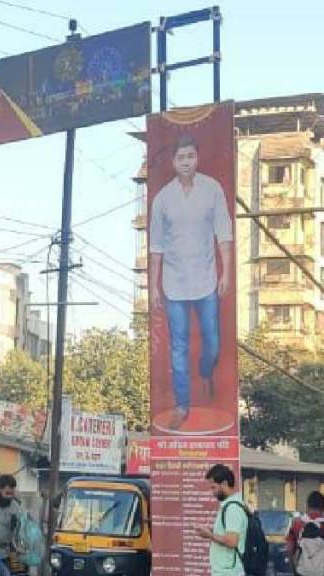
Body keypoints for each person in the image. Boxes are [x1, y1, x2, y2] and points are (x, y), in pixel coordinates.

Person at [149, 133, 233, 430]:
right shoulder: (162, 199)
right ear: (173, 162)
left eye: (190, 156)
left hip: (206, 280)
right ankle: (182, 405)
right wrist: (154, 286)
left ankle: (206, 371)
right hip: (173, 283)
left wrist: (226, 273)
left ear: (197, 158)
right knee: (178, 347)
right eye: (180, 158)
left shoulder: (212, 190)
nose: (185, 162)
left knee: (213, 341)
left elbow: (224, 234)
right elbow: (156, 246)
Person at [197, 464, 246, 576]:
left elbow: (232, 541)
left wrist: (210, 535)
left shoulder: (233, 509)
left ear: (224, 484)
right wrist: (211, 531)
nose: (212, 492)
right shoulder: (229, 506)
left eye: (213, 487)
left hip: (229, 571)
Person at [290, 491, 324, 573]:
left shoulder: (297, 523)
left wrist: (293, 568)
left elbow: (290, 549)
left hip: (302, 571)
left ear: (307, 505)